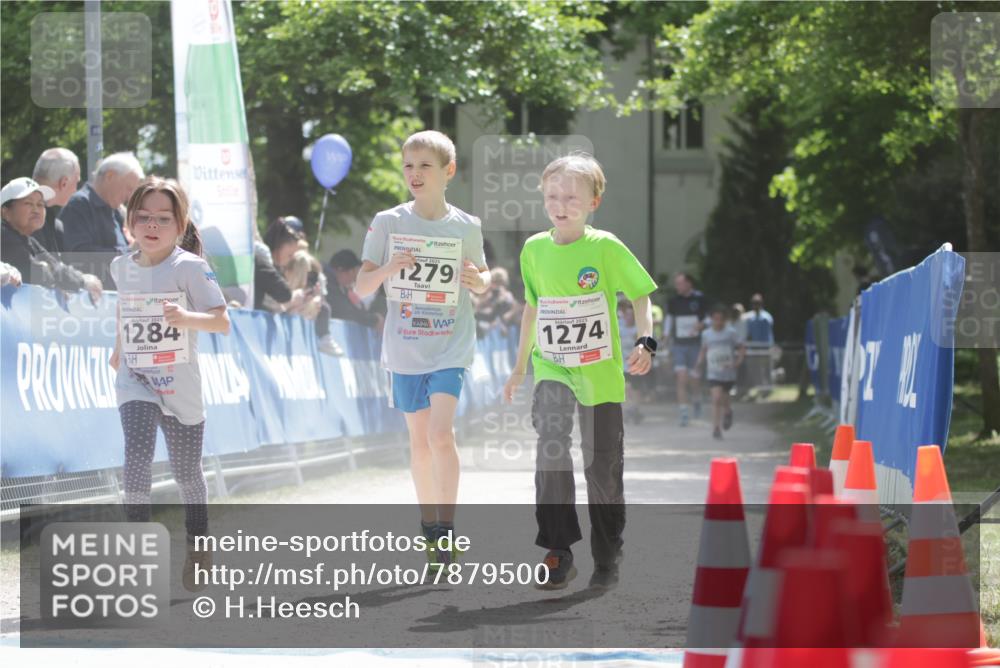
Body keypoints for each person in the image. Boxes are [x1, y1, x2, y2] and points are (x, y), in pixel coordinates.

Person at [503, 152, 657, 591]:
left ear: (594, 201)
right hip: (552, 365)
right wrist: (518, 368)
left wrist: (645, 340)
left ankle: (607, 554)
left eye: (571, 197)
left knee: (602, 467)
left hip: (599, 373)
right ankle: (558, 551)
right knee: (551, 446)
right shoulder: (534, 249)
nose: (560, 204)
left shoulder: (605, 247)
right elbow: (533, 309)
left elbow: (641, 294)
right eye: (552, 195)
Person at [355, 130, 490, 567]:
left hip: (451, 344)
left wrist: (477, 280)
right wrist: (389, 267)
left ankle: (447, 529)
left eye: (425, 165)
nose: (414, 173)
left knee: (440, 434)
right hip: (406, 347)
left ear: (448, 171)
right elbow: (361, 286)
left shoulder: (466, 226)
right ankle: (429, 525)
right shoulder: (388, 222)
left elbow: (484, 278)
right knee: (419, 444)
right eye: (409, 165)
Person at [107, 176, 230, 593]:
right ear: (130, 222)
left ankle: (199, 547)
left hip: (180, 385)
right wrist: (119, 346)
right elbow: (127, 310)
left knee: (187, 473)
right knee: (137, 455)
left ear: (180, 225)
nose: (152, 226)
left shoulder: (190, 268)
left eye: (163, 218)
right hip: (136, 378)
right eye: (143, 217)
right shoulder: (120, 266)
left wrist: (185, 317)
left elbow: (222, 320)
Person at [0, 177, 102, 301]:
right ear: (5, 212)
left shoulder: (28, 239)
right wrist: (77, 280)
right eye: (28, 203)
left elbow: (55, 265)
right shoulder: (3, 235)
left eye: (40, 204)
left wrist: (81, 279)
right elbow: (36, 273)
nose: (36, 209)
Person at [61, 151, 144, 285]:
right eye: (128, 188)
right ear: (110, 176)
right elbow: (80, 257)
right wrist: (130, 252)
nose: (130, 197)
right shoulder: (79, 206)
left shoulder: (115, 211)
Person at [664, 272, 708, 426]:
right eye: (676, 284)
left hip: (696, 344)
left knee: (694, 379)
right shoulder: (674, 301)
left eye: (680, 283)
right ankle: (683, 412)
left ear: (689, 283)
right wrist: (666, 334)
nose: (678, 287)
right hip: (679, 345)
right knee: (681, 378)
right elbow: (669, 319)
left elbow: (709, 317)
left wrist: (703, 324)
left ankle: (697, 401)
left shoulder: (700, 298)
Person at [697, 304, 746, 440]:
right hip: (713, 372)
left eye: (720, 319)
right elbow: (703, 349)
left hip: (728, 372)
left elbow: (741, 347)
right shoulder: (706, 334)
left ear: (724, 320)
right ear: (711, 319)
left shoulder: (731, 333)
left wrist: (738, 361)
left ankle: (728, 412)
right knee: (716, 398)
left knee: (724, 397)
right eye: (715, 319)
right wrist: (699, 363)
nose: (718, 322)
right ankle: (716, 428)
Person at [282, 248, 343, 355]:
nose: (312, 281)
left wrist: (314, 300)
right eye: (310, 275)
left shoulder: (314, 301)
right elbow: (280, 308)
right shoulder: (282, 290)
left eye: (314, 277)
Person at [31, 147, 81, 255]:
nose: (76, 190)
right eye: (76, 183)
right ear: (63, 183)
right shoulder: (31, 222)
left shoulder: (52, 223)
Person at [325, 249, 384, 331]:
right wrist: (374, 320)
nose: (352, 283)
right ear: (345, 271)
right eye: (354, 278)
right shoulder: (328, 283)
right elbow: (347, 312)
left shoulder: (336, 285)